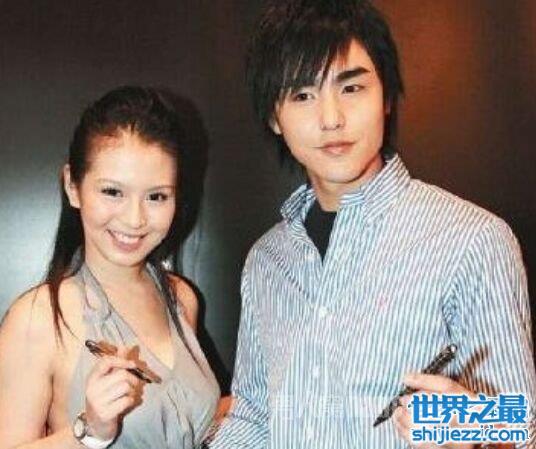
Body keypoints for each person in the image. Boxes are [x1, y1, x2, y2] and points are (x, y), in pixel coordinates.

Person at [209, 1, 536, 448]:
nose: (331, 119)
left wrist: (473, 431)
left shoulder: (472, 238)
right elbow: (253, 416)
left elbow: (522, 426)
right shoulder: (267, 260)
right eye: (302, 95)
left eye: (351, 87)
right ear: (274, 117)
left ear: (386, 97)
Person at [0, 86, 221, 449]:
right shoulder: (37, 319)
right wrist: (90, 431)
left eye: (156, 196)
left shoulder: (181, 298)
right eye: (113, 192)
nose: (135, 219)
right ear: (73, 186)